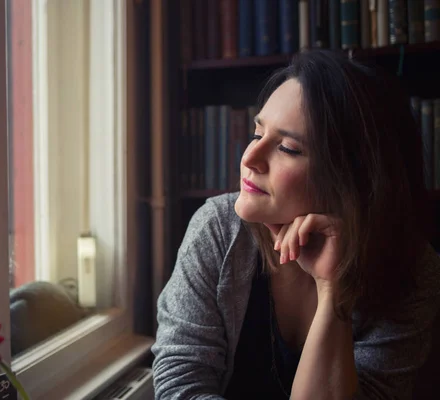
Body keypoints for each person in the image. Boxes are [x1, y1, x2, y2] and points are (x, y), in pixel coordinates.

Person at [152, 49, 440, 399]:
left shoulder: (413, 271)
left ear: (353, 176)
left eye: (287, 148)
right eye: (257, 134)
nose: (250, 158)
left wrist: (334, 291)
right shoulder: (217, 230)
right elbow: (180, 387)